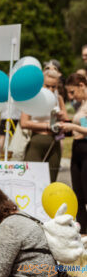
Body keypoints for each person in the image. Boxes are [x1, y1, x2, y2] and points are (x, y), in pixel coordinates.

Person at [21, 69, 68, 182]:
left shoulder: (59, 98)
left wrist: (61, 117)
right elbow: (24, 123)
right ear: (41, 84)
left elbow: (66, 120)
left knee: (51, 180)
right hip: (36, 141)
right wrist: (47, 125)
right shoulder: (32, 97)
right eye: (47, 86)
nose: (51, 89)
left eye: (54, 87)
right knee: (31, 179)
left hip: (54, 142)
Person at [59, 73, 87, 233]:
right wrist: (67, 121)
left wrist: (73, 127)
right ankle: (83, 231)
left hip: (85, 151)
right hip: (77, 150)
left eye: (72, 92)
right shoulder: (82, 103)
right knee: (78, 193)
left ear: (82, 86)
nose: (71, 96)